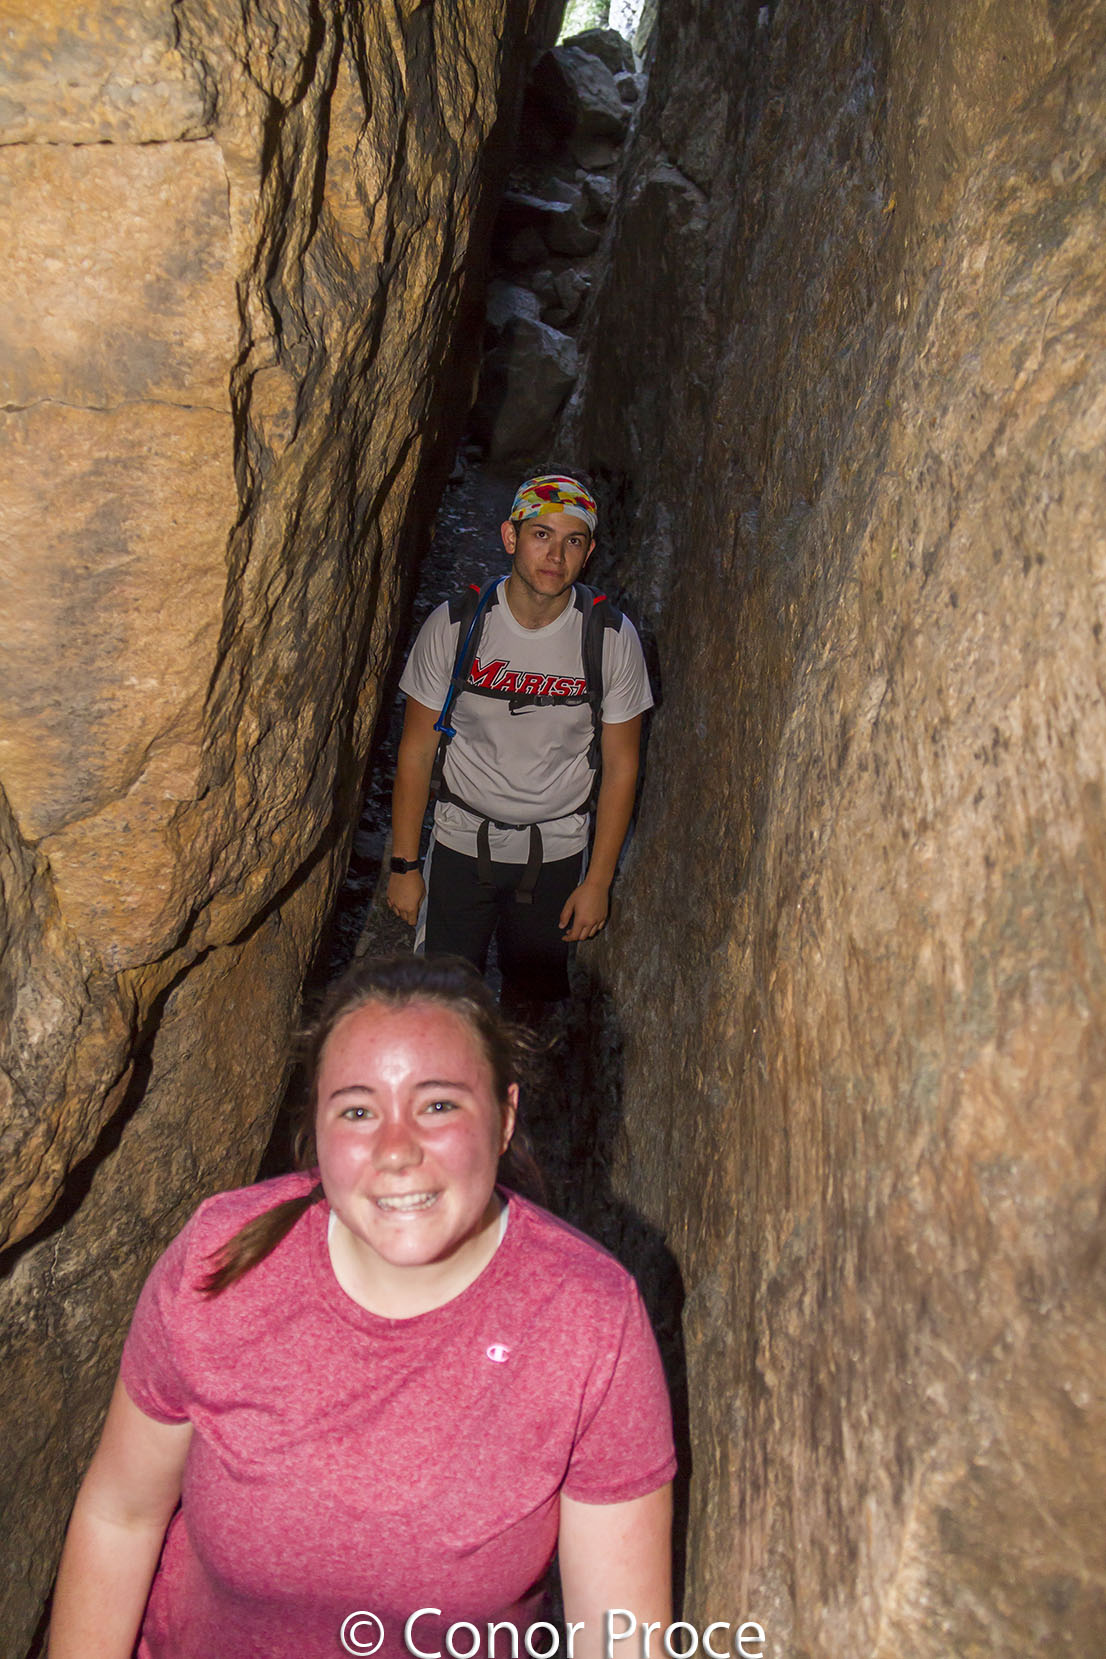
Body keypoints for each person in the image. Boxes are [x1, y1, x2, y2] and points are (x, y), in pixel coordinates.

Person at [47, 954, 674, 1659]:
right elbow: (121, 1516)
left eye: (438, 1105)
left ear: (504, 1118)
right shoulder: (221, 1264)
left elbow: (620, 1640)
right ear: (316, 1130)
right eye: (357, 1111)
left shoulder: (588, 1321)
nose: (396, 1149)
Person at [386, 472, 653, 1004]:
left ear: (588, 553)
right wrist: (405, 865)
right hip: (460, 841)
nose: (555, 555)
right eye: (541, 535)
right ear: (511, 537)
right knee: (442, 1006)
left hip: (555, 853)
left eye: (572, 541)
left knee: (530, 1014)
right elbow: (415, 751)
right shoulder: (457, 626)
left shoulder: (609, 639)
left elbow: (622, 767)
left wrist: (597, 883)